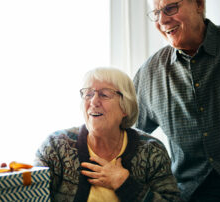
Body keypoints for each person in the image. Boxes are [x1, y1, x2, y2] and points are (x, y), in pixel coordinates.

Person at [133, 0, 220, 201]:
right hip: (189, 194)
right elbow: (124, 131)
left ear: (199, 4)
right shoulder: (150, 73)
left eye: (170, 8)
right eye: (156, 14)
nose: (162, 20)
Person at [34, 67, 181, 201]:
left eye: (104, 95)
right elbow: (32, 194)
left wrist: (125, 183)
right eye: (88, 94)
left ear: (125, 107)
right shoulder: (56, 146)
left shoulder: (151, 151)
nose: (94, 102)